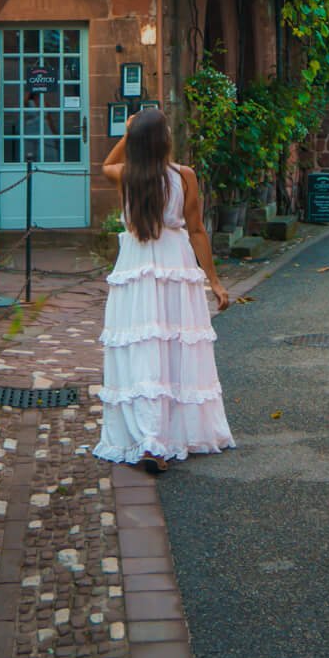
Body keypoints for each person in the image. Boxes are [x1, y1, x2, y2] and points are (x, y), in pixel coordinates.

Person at [93, 104, 235, 474]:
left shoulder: (126, 175)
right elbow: (197, 230)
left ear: (138, 142)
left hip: (137, 269)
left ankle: (146, 436)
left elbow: (105, 165)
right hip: (175, 266)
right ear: (166, 139)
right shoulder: (184, 176)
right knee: (174, 348)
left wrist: (126, 134)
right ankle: (167, 434)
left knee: (143, 349)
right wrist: (214, 281)